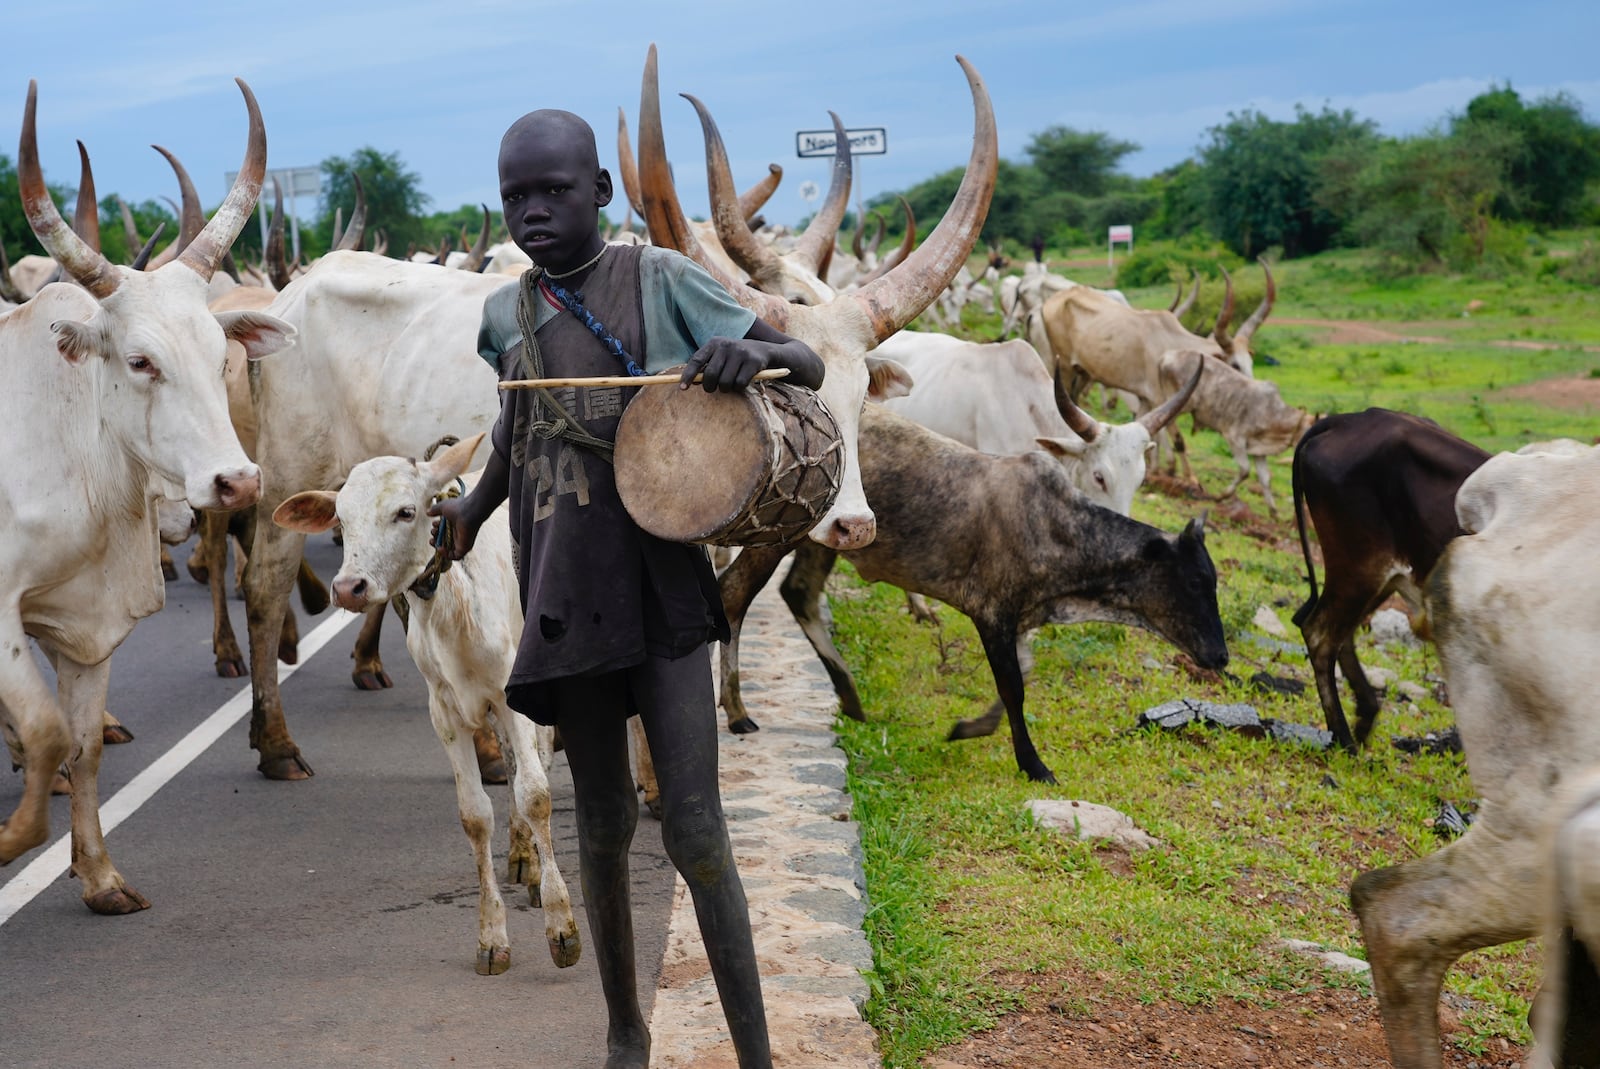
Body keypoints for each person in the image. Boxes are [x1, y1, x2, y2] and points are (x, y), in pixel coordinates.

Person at [430, 108, 822, 1069]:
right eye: (515, 195)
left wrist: (753, 354)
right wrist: (474, 511)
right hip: (562, 588)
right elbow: (522, 428)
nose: (532, 212)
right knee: (599, 823)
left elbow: (806, 363)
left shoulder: (657, 280)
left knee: (695, 827)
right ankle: (624, 1036)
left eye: (554, 191)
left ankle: (757, 1056)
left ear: (601, 191)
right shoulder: (501, 315)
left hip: (659, 590)